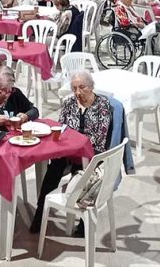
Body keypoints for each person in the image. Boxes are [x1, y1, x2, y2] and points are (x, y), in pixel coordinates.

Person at [30, 71, 113, 234]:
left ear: (91, 87)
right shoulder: (69, 103)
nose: (78, 92)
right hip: (68, 151)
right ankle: (40, 215)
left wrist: (77, 145)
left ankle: (84, 223)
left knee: (83, 175)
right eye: (74, 88)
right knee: (52, 171)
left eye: (82, 88)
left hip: (91, 153)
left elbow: (99, 138)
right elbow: (61, 127)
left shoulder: (102, 105)